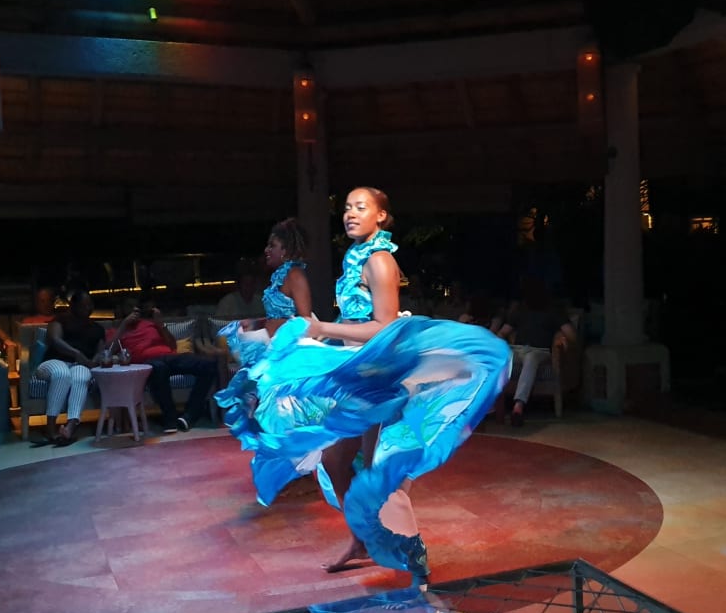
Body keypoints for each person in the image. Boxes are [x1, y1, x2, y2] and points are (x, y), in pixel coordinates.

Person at [218, 186, 511, 588]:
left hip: (377, 375)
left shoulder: (379, 261)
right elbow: (355, 322)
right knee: (334, 461)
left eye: (361, 207)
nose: (350, 214)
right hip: (358, 370)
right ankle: (361, 539)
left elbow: (384, 328)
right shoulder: (357, 257)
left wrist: (321, 328)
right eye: (347, 208)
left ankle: (413, 554)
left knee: (377, 474)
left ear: (381, 217)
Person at [215, 217, 312, 436]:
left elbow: (305, 320)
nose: (266, 250)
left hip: (284, 352)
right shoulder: (279, 276)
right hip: (269, 347)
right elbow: (278, 315)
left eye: (272, 246)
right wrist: (256, 322)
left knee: (280, 414)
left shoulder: (295, 275)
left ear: (285, 250)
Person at [111, 296, 218, 434]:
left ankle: (189, 416)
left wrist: (161, 324)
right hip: (147, 363)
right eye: (130, 306)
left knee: (208, 365)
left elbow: (173, 345)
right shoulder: (117, 330)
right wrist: (124, 324)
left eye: (136, 306)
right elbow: (109, 350)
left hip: (169, 357)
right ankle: (170, 419)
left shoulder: (149, 324)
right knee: (159, 368)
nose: (135, 309)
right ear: (121, 309)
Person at [495, 275, 578, 427]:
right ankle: (490, 405)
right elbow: (503, 332)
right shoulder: (520, 309)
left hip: (539, 351)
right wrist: (498, 343)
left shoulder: (553, 310)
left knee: (531, 358)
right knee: (500, 356)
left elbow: (571, 334)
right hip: (517, 349)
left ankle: (518, 407)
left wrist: (561, 337)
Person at [31, 289, 105, 447]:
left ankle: (69, 429)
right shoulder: (61, 320)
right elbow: (54, 339)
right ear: (74, 306)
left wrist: (93, 362)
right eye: (84, 305)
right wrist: (77, 353)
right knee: (62, 374)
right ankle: (50, 429)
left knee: (82, 376)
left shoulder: (97, 328)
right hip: (53, 361)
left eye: (90, 305)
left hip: (80, 365)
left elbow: (100, 351)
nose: (88, 308)